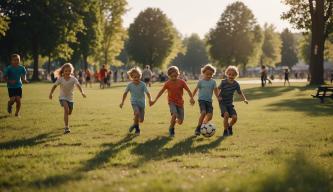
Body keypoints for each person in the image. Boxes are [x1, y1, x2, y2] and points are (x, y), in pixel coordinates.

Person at [151, 66, 195, 137]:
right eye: (172, 76)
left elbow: (188, 90)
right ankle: (171, 129)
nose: (174, 78)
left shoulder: (182, 82)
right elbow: (161, 92)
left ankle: (175, 121)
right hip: (172, 102)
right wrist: (155, 100)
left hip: (180, 103)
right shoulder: (167, 83)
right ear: (169, 76)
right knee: (174, 114)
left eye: (175, 76)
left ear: (178, 74)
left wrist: (192, 98)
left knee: (180, 122)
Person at [49, 63, 86, 134]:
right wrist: (51, 93)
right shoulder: (60, 79)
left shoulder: (73, 79)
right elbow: (54, 86)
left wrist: (82, 92)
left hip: (70, 98)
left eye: (69, 71)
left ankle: (67, 115)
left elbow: (78, 85)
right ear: (63, 71)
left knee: (69, 111)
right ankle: (66, 127)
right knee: (66, 110)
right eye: (66, 71)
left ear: (71, 71)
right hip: (63, 97)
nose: (67, 72)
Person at [120, 67, 152, 135]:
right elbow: (125, 93)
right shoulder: (130, 85)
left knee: (141, 120)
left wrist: (150, 99)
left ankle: (134, 124)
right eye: (134, 77)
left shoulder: (143, 84)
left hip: (142, 103)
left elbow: (147, 93)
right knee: (137, 113)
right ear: (131, 77)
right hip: (134, 102)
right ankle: (137, 130)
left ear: (140, 76)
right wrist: (122, 102)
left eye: (138, 77)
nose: (136, 79)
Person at [218, 65, 248, 137]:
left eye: (233, 75)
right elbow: (217, 89)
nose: (231, 76)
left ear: (236, 75)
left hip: (230, 104)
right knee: (226, 115)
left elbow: (240, 92)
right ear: (227, 74)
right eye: (229, 74)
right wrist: (218, 96)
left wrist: (244, 99)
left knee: (234, 118)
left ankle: (230, 126)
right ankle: (225, 130)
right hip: (223, 103)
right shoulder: (223, 82)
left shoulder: (236, 84)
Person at [192, 64, 219, 136]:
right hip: (202, 100)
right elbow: (195, 90)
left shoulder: (213, 82)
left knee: (210, 116)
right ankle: (198, 128)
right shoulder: (201, 82)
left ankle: (203, 124)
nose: (209, 76)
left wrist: (218, 97)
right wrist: (192, 97)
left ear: (213, 74)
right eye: (207, 74)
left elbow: (216, 91)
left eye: (211, 74)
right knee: (203, 112)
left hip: (209, 101)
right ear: (203, 73)